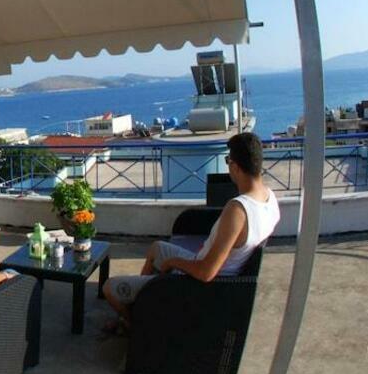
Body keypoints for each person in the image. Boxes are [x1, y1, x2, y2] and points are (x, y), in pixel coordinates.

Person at [101, 132, 279, 334]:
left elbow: (206, 272)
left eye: (228, 160)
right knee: (156, 248)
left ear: (235, 167)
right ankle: (145, 302)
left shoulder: (239, 210)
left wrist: (173, 262)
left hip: (198, 287)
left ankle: (136, 326)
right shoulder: (269, 199)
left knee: (109, 288)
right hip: (207, 269)